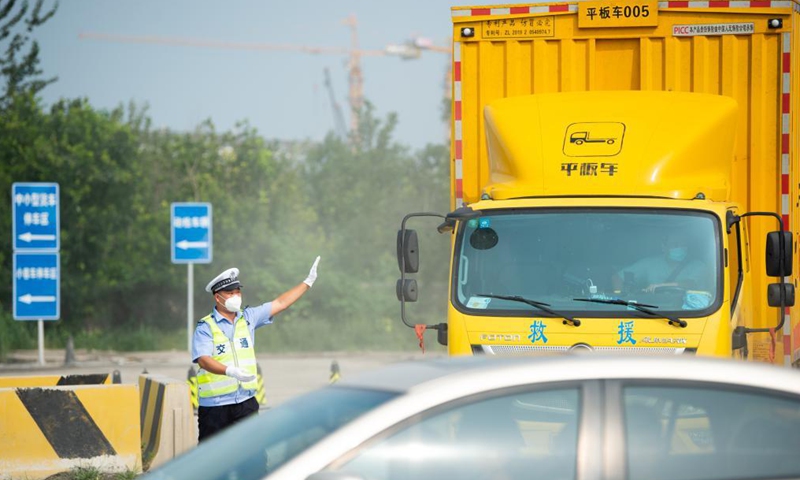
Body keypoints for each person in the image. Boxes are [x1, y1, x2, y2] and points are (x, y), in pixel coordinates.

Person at [192, 256, 320, 442]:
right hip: (215, 407)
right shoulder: (205, 326)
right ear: (217, 296)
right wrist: (230, 371)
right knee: (212, 462)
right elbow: (203, 359)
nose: (235, 296)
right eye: (230, 293)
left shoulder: (249, 317)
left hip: (246, 403)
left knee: (254, 458)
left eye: (237, 292)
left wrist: (307, 282)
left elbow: (281, 303)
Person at [612, 232, 710, 295]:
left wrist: (660, 286)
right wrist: (620, 298)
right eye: (675, 244)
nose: (680, 247)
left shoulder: (698, 265)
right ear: (663, 247)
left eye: (683, 244)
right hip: (652, 310)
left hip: (687, 311)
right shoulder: (650, 263)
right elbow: (618, 277)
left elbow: (691, 284)